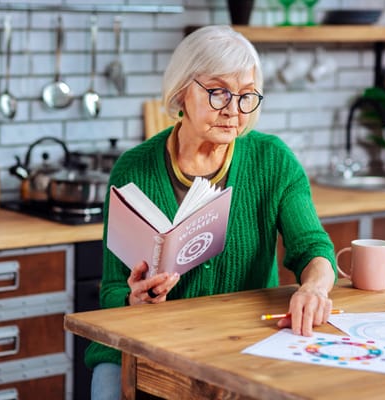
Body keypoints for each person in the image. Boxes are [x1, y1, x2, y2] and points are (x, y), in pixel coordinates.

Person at [85, 25, 337, 400]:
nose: (233, 111)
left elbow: (313, 248)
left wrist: (314, 288)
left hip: (239, 339)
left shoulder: (273, 161)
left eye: (246, 96)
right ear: (182, 91)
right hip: (149, 342)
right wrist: (133, 299)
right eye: (219, 92)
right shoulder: (132, 169)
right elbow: (112, 289)